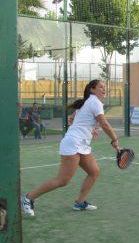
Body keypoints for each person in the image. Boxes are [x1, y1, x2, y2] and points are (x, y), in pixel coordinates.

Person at [21, 80, 121, 217]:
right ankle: (28, 198)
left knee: (94, 172)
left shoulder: (88, 102)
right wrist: (114, 139)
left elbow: (72, 118)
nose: (104, 90)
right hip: (73, 143)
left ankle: (80, 202)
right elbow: (103, 123)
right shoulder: (95, 102)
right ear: (92, 89)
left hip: (82, 144)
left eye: (105, 88)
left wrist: (89, 129)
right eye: (101, 87)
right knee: (62, 181)